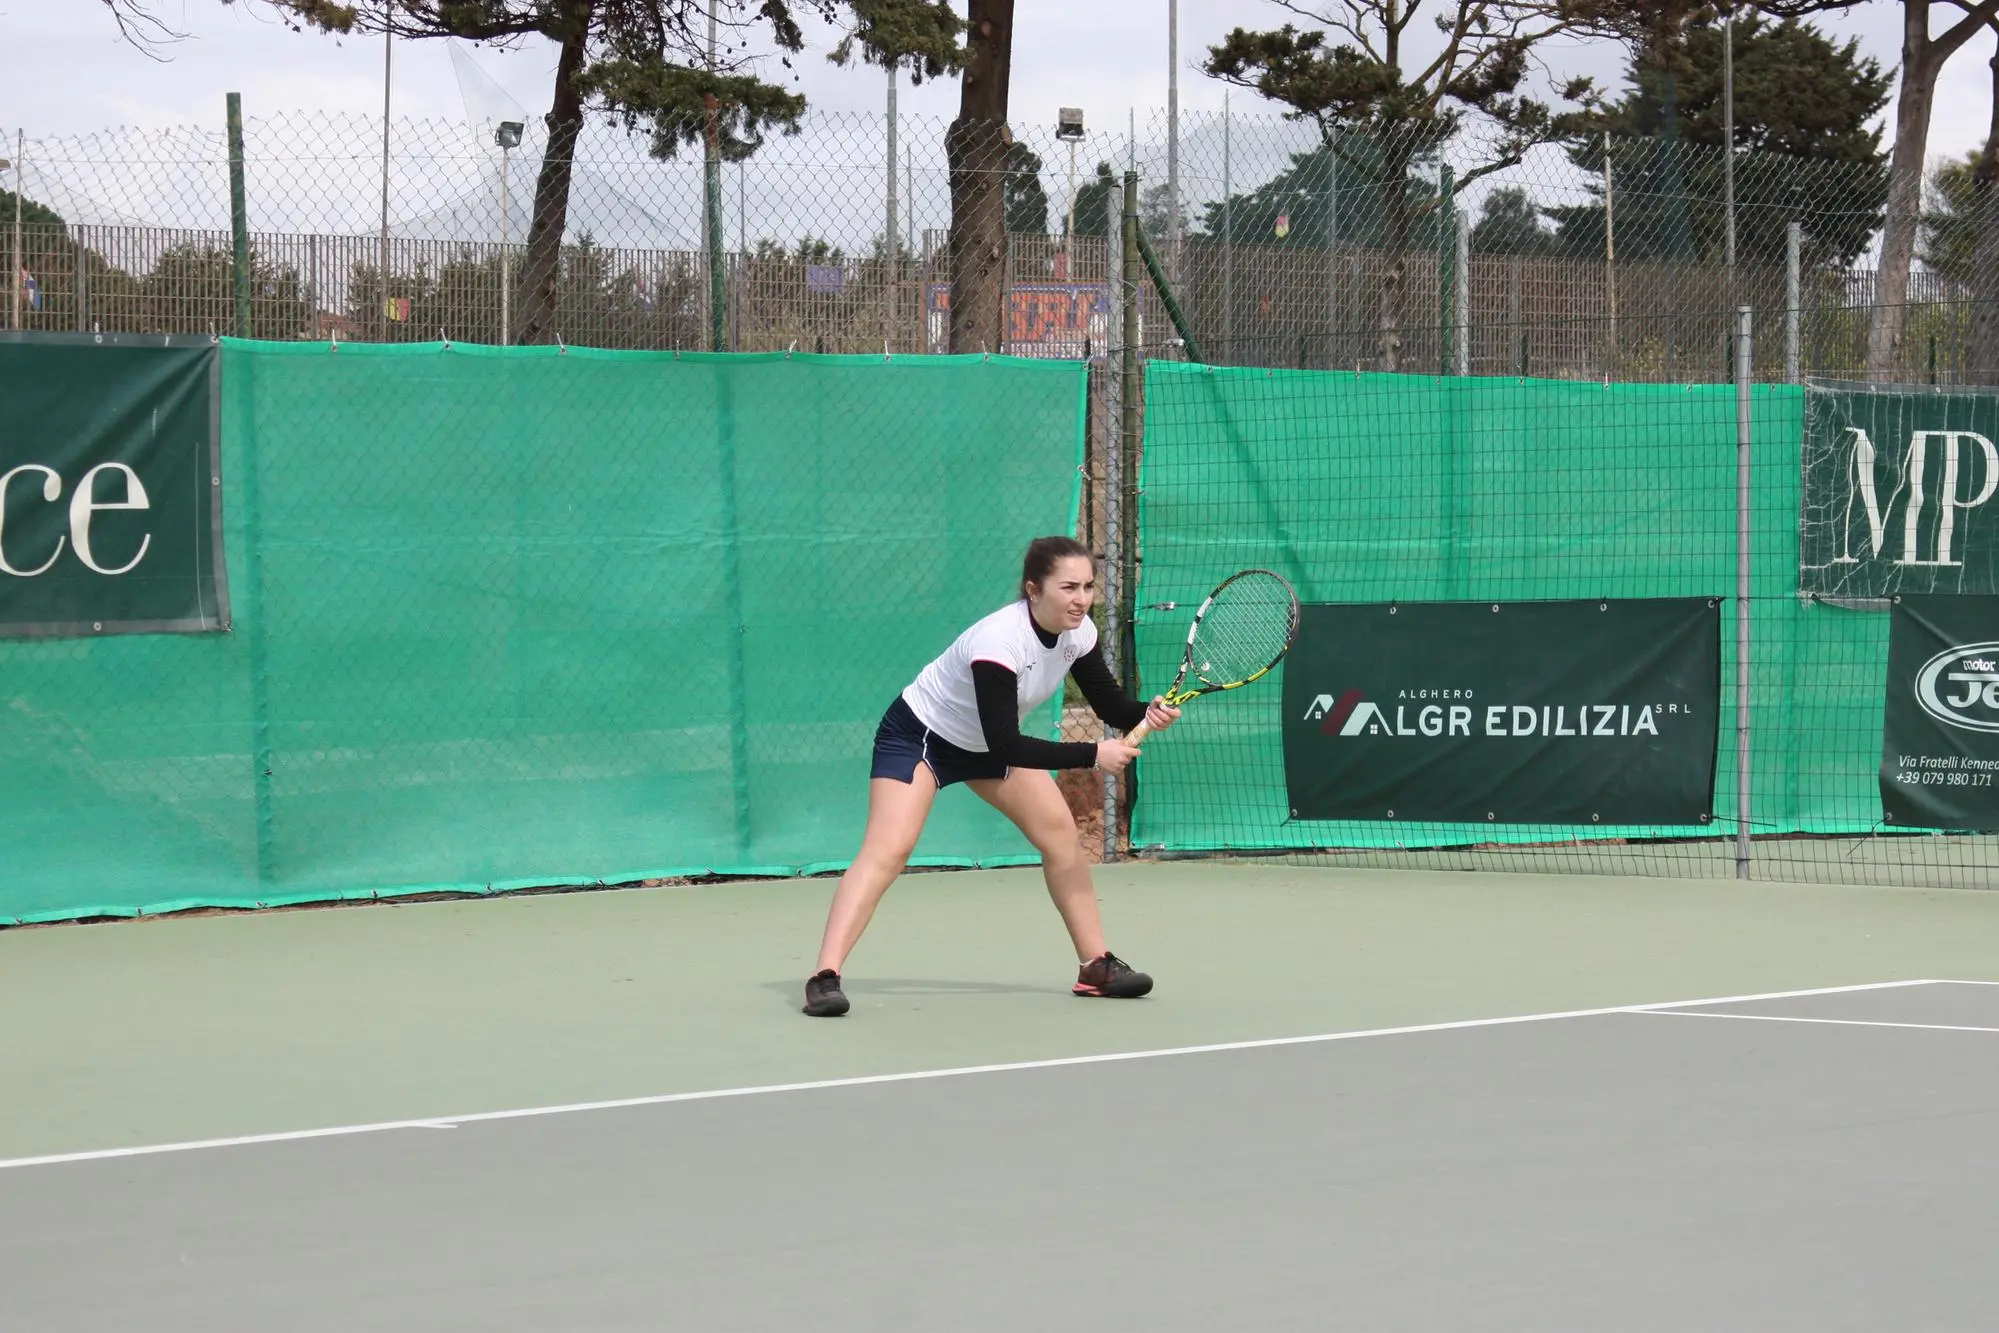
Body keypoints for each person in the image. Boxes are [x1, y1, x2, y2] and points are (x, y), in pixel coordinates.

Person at [802, 535, 1181, 1018]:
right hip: (921, 737)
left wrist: (1145, 712)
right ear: (1033, 590)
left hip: (986, 742)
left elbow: (1109, 704)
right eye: (1068, 587)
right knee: (889, 849)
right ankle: (824, 977)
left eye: (1088, 586)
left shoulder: (1079, 632)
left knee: (1060, 835)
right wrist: (1093, 754)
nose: (1081, 599)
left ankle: (1096, 966)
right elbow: (1006, 745)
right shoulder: (998, 642)